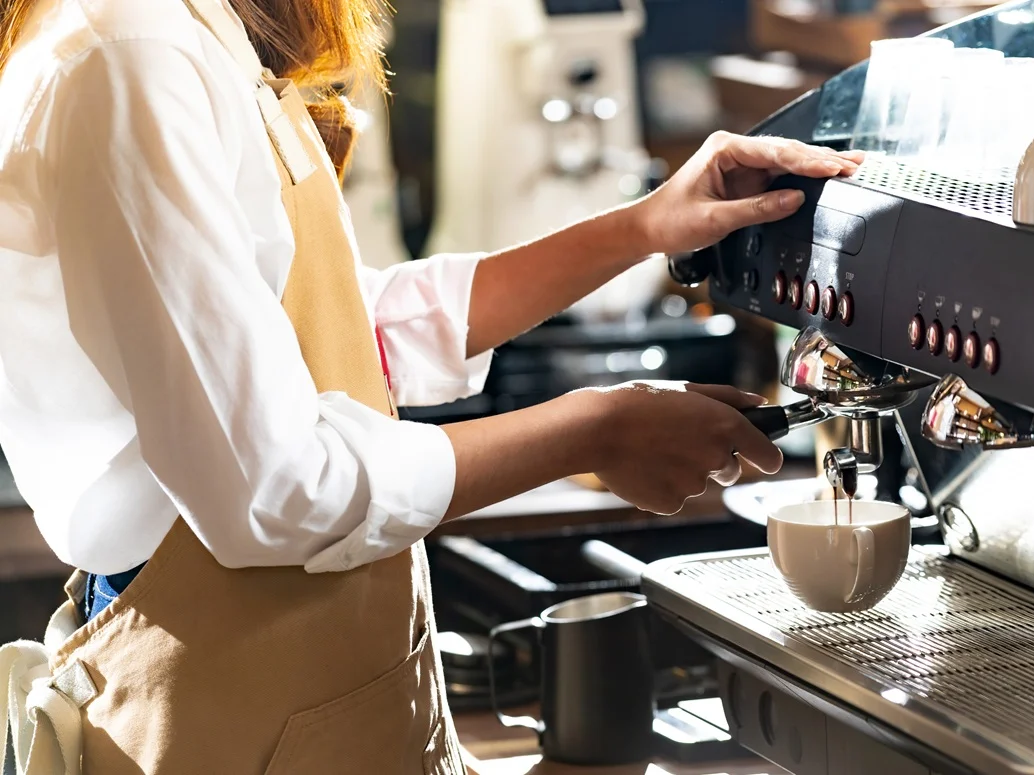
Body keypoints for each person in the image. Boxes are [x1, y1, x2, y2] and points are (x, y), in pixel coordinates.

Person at [0, 0, 863, 772]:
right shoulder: (129, 51)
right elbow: (273, 486)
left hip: (310, 655)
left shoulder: (189, 31)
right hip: (221, 664)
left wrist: (642, 225)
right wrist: (591, 429)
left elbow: (338, 321)